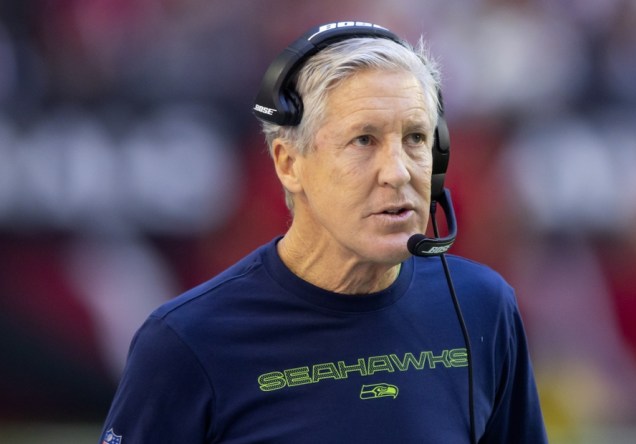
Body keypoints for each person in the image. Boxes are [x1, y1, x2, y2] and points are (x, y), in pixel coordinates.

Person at [99, 21, 547, 443]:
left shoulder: (483, 308)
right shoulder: (185, 342)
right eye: (363, 140)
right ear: (288, 163)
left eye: (415, 138)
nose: (397, 172)